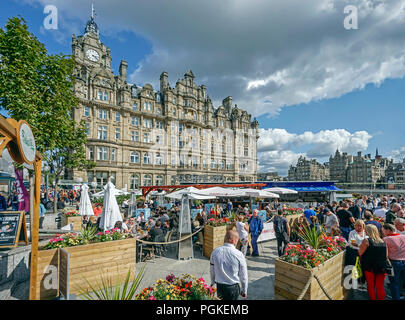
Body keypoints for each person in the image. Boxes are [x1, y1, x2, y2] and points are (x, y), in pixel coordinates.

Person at [210, 230, 248, 300]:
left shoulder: (215, 252)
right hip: (233, 288)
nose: (237, 242)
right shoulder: (239, 254)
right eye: (237, 240)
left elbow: (212, 270)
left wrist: (212, 283)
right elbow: (243, 275)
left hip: (220, 287)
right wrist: (244, 290)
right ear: (233, 240)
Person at [358, 224, 388, 300]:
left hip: (369, 266)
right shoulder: (383, 241)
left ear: (368, 231)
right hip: (381, 266)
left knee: (370, 286)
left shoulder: (366, 241)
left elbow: (360, 252)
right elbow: (386, 255)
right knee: (380, 286)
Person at [382, 223, 405, 300]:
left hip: (394, 262)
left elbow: (385, 253)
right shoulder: (403, 236)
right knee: (402, 281)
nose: (383, 232)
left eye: (383, 230)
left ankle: (396, 297)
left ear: (388, 230)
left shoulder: (386, 239)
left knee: (394, 282)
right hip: (404, 261)